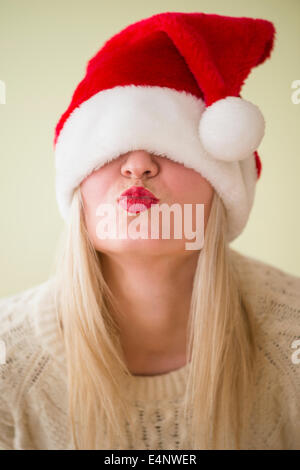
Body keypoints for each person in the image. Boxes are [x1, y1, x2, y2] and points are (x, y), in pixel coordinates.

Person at [0, 11, 300, 451]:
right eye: (111, 145)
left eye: (168, 144)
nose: (137, 165)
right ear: (78, 186)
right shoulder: (10, 360)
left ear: (222, 190)